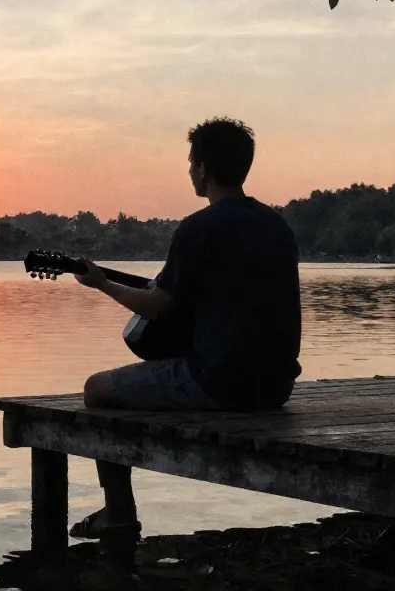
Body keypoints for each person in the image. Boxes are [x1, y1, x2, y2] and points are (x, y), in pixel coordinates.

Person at [68, 117, 302, 542]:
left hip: (221, 385)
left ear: (203, 169)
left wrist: (102, 284)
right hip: (276, 386)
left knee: (96, 390)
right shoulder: (277, 226)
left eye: (192, 161)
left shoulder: (199, 227)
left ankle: (118, 513)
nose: (190, 170)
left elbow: (159, 307)